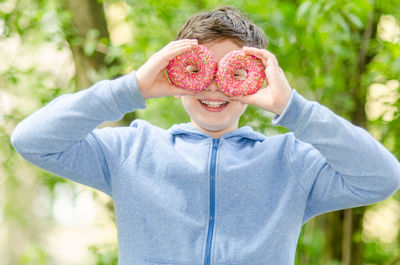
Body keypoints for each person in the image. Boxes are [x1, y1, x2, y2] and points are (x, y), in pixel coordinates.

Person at [10, 6, 400, 265]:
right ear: (176, 76)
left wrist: (293, 108)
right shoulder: (130, 152)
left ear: (257, 81)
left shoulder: (291, 163)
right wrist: (133, 88)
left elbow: (382, 178)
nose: (214, 87)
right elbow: (33, 140)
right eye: (199, 71)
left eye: (231, 75)